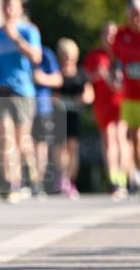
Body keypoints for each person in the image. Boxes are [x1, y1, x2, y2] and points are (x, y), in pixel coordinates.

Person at [0, 0, 42, 203]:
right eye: (6, 6)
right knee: (5, 138)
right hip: (1, 89)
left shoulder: (28, 31)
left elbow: (36, 57)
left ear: (19, 10)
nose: (9, 10)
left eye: (12, 7)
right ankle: (11, 182)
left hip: (23, 91)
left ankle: (31, 173)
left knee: (21, 140)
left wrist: (16, 38)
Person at [84, 22, 128, 198]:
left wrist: (109, 78)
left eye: (113, 34)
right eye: (106, 34)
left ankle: (123, 178)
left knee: (120, 138)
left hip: (121, 101)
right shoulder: (95, 55)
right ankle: (113, 179)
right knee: (109, 140)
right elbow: (87, 76)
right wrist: (97, 75)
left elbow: (120, 84)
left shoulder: (122, 55)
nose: (109, 38)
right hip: (102, 104)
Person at [53, 38, 94, 199]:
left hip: (74, 115)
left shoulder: (81, 74)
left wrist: (82, 98)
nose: (66, 58)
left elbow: (90, 94)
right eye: (63, 55)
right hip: (58, 115)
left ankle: (71, 181)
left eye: (69, 55)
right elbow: (50, 95)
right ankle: (61, 177)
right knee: (60, 148)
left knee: (72, 148)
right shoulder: (55, 75)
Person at [112, 0, 140, 192]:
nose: (136, 17)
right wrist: (116, 73)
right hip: (130, 96)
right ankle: (135, 173)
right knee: (134, 138)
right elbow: (115, 59)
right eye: (134, 13)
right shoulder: (121, 35)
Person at [32, 44, 63, 197]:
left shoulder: (46, 53)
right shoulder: (12, 51)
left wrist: (41, 78)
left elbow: (58, 79)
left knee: (40, 145)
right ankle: (22, 180)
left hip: (42, 106)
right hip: (19, 103)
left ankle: (38, 182)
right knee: (22, 144)